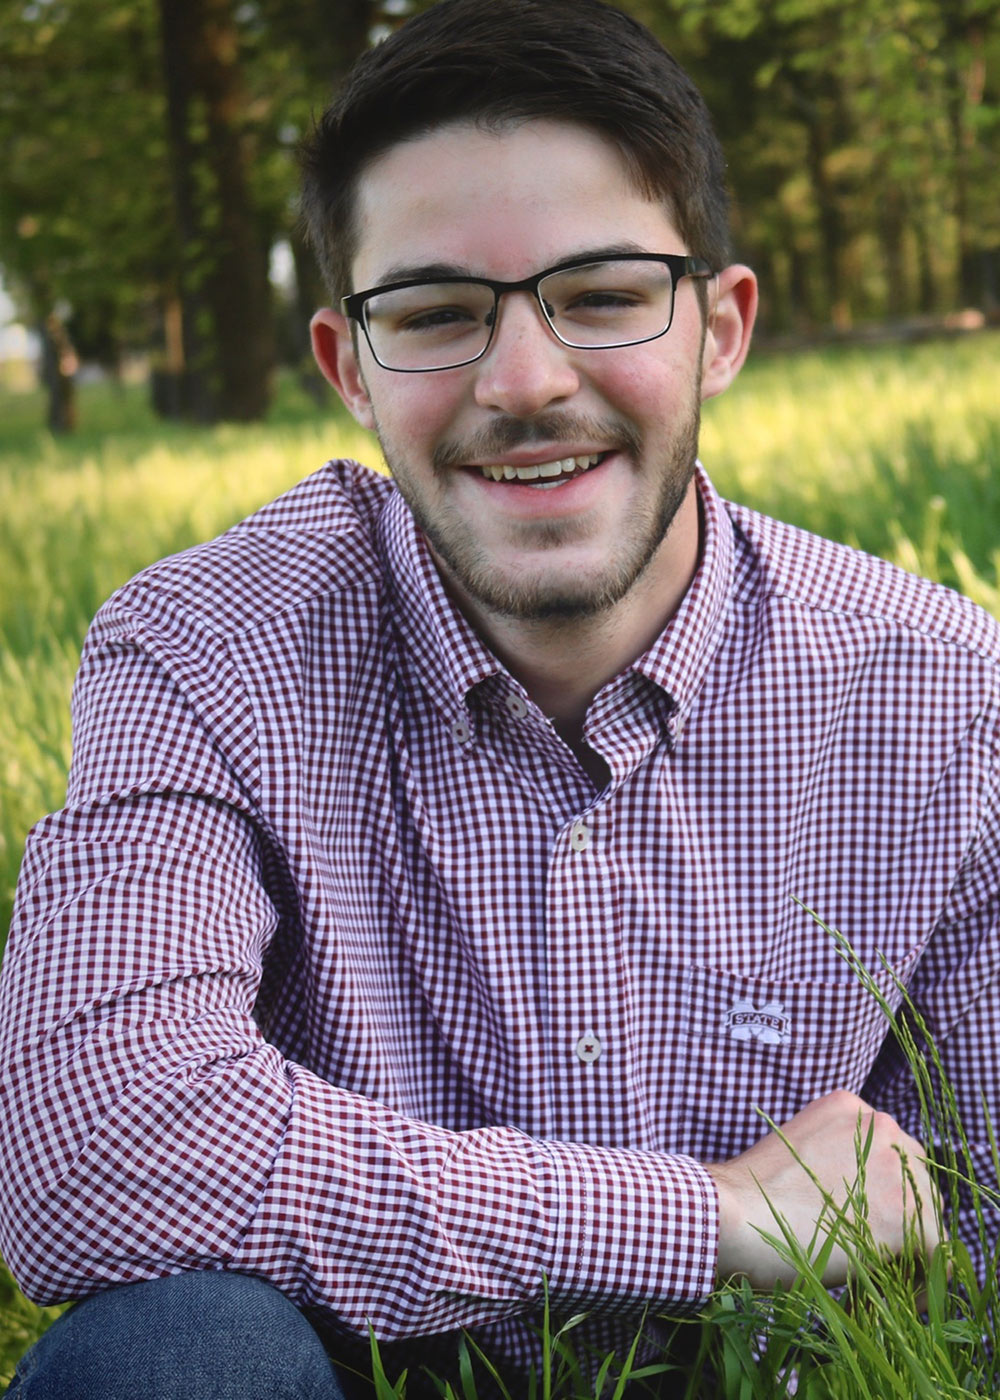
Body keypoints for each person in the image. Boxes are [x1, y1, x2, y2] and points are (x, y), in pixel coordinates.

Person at [1, 0, 997, 1395]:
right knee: (173, 1351)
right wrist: (711, 1220)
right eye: (437, 315)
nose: (524, 384)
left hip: (783, 1377)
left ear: (721, 329)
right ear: (350, 367)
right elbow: (94, 1157)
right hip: (364, 1365)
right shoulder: (202, 652)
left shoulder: (945, 695)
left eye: (601, 296)